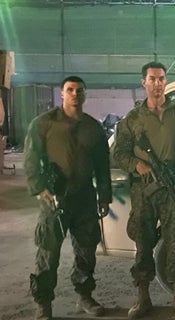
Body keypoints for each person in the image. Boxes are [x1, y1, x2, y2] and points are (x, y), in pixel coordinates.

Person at [24, 76, 112, 320]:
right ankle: (44, 303)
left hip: (84, 197)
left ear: (85, 94)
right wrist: (39, 188)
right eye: (70, 90)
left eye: (79, 90)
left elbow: (102, 166)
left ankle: (84, 296)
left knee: (86, 252)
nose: (75, 94)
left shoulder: (93, 127)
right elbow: (31, 158)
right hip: (54, 199)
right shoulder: (44, 124)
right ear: (61, 94)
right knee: (47, 253)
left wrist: (104, 197)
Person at [111, 61, 175, 318]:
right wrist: (137, 164)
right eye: (152, 79)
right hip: (144, 190)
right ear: (143, 82)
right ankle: (143, 296)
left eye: (161, 79)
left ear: (166, 82)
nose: (157, 84)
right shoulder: (132, 120)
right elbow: (119, 152)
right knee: (144, 243)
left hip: (171, 189)